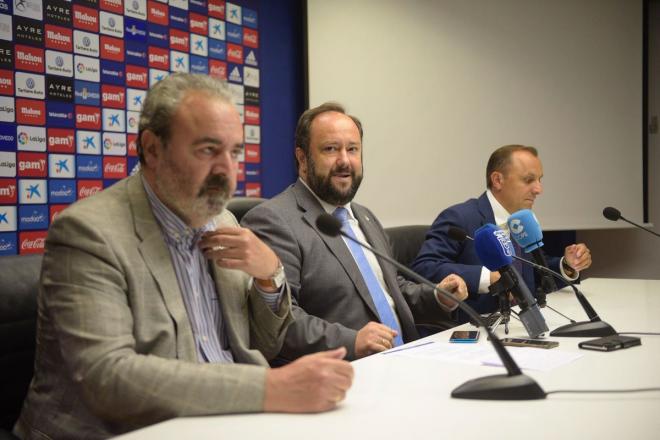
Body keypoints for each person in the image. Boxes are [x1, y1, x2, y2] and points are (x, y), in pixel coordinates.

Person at [14, 74, 353, 439]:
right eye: (208, 150)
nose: (227, 170)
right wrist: (271, 389)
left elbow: (263, 345)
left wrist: (270, 277)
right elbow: (108, 379)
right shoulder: (88, 232)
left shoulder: (222, 220)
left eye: (234, 152)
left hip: (228, 422)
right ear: (153, 149)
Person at [241, 102, 468, 363]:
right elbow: (278, 320)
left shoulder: (364, 216)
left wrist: (438, 297)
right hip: (344, 372)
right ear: (302, 159)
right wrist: (352, 341)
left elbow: (390, 289)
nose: (344, 161)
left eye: (352, 149)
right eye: (330, 149)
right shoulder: (273, 220)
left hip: (407, 357)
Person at [411, 144, 592, 321]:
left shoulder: (521, 221)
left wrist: (567, 265)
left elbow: (534, 272)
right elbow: (424, 267)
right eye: (529, 180)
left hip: (525, 325)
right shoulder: (460, 217)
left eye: (540, 180)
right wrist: (486, 277)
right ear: (498, 180)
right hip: (477, 328)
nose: (539, 189)